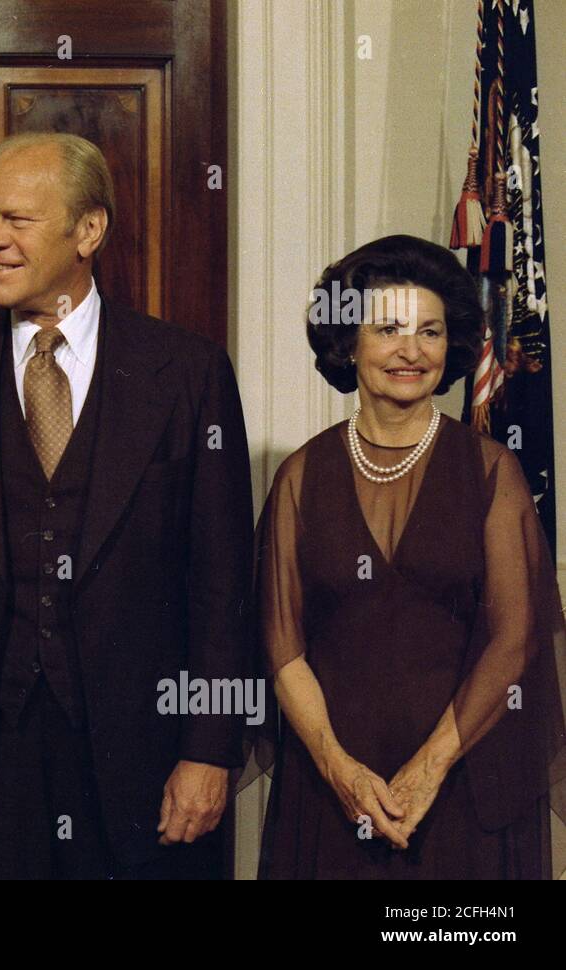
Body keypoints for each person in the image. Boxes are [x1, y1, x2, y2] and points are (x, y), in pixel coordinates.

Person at [0, 132, 255, 878]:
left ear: (89, 231)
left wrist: (209, 750)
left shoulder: (188, 373)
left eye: (16, 220)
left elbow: (222, 584)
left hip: (142, 763)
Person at [257, 234, 566, 878]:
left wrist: (430, 768)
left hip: (461, 784)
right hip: (334, 788)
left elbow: (516, 638)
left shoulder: (490, 471)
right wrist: (337, 769)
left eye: (429, 332)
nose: (411, 350)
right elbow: (283, 649)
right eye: (389, 329)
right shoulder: (300, 477)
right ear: (349, 343)